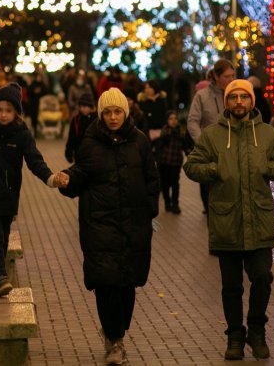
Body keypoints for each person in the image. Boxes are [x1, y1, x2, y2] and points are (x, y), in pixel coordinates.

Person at [183, 79, 274, 361]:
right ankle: (234, 335)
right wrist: (215, 168)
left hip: (259, 219)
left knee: (262, 278)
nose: (239, 102)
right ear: (228, 102)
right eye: (234, 98)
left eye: (245, 97)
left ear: (252, 101)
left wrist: (266, 167)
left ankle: (257, 330)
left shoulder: (267, 134)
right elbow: (191, 166)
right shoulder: (212, 135)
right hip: (226, 220)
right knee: (231, 286)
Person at [58, 88, 160, 365]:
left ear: (125, 113)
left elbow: (152, 177)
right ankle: (115, 342)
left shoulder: (139, 141)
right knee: (106, 284)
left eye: (117, 112)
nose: (113, 117)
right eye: (107, 112)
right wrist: (66, 180)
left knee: (127, 286)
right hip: (99, 226)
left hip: (134, 226)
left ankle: (116, 331)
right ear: (101, 115)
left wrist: (150, 209)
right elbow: (80, 173)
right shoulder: (90, 142)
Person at [0, 83, 67, 297]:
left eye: (8, 111)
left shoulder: (21, 134)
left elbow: (34, 161)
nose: (3, 115)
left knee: (4, 234)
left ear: (16, 113)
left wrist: (50, 178)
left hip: (9, 193)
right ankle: (1, 277)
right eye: (0, 110)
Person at [187, 59, 235, 214]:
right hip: (211, 154)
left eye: (233, 76)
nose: (230, 80)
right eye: (227, 76)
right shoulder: (202, 96)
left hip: (233, 151)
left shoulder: (235, 95)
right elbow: (193, 121)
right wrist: (203, 143)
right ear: (216, 76)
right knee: (211, 196)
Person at [154, 110, 191, 214]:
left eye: (175, 119)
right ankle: (167, 202)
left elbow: (185, 145)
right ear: (167, 120)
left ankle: (175, 204)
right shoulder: (165, 131)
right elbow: (161, 145)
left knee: (175, 184)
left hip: (176, 162)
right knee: (165, 184)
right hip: (165, 162)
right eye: (171, 119)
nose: (173, 121)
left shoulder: (180, 131)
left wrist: (188, 152)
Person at [64, 93, 97, 163]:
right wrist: (68, 152)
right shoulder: (76, 119)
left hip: (94, 154)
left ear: (91, 107)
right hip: (79, 154)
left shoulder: (97, 119)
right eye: (80, 106)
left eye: (84, 107)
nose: (82, 109)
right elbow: (71, 137)